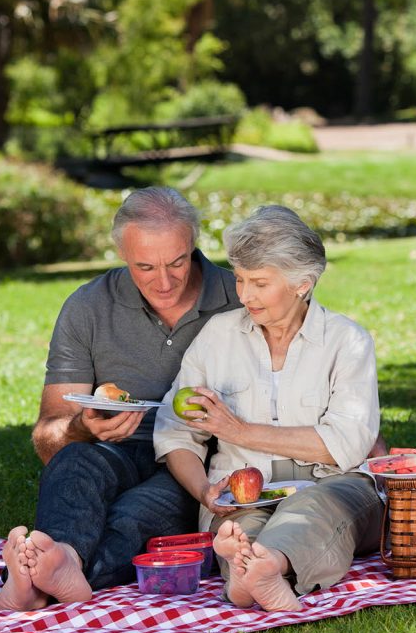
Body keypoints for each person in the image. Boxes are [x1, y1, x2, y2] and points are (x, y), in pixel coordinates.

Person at [0, 186, 242, 611]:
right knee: (73, 461)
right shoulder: (88, 307)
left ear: (194, 244)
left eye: (177, 262)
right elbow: (48, 438)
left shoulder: (238, 297)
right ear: (122, 255)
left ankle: (35, 583)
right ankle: (62, 562)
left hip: (197, 460)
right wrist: (80, 428)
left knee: (135, 514)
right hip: (117, 449)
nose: (163, 282)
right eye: (145, 266)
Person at [153, 205, 384, 611]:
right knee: (241, 528)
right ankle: (255, 572)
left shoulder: (347, 341)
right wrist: (205, 492)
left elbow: (345, 444)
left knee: (312, 509)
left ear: (302, 284)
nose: (244, 295)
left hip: (330, 483)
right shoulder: (218, 336)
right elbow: (175, 431)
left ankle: (262, 568)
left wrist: (240, 431)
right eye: (240, 279)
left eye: (260, 283)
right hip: (244, 495)